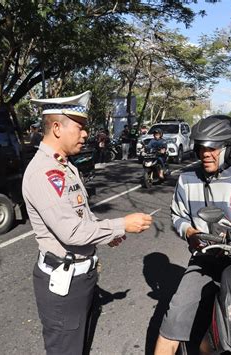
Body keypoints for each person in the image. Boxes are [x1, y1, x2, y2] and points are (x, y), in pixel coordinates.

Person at [23, 91, 153, 355]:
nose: (85, 134)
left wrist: (107, 235)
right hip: (64, 284)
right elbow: (71, 232)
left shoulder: (66, 167)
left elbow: (82, 215)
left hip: (81, 278)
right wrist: (121, 225)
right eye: (80, 128)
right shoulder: (44, 173)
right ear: (57, 128)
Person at [154, 115, 231, 355]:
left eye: (213, 148)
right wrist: (189, 232)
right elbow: (177, 215)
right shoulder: (187, 179)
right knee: (174, 317)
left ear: (230, 148)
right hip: (205, 260)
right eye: (201, 147)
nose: (205, 153)